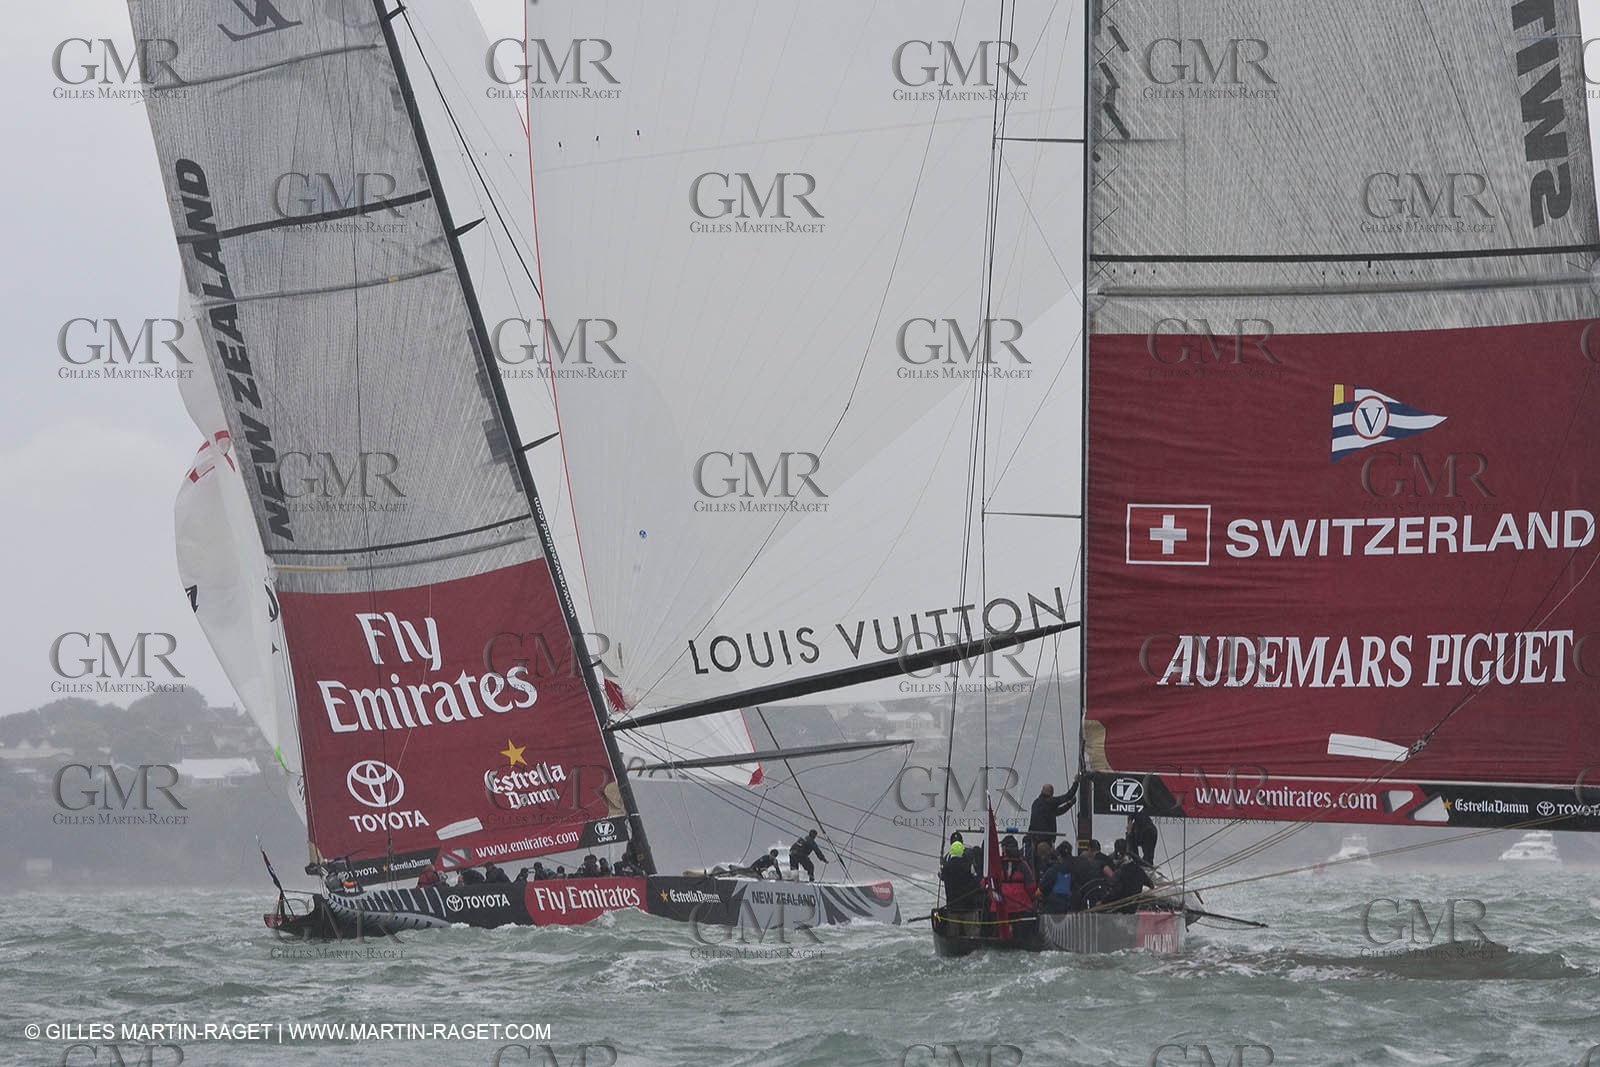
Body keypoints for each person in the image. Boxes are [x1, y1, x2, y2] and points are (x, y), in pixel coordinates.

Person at [1025, 781, 1079, 860]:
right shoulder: (1050, 802)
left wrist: (1069, 804)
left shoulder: (1036, 803)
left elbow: (1056, 812)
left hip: (1034, 838)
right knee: (1046, 859)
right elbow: (1068, 796)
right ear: (1051, 793)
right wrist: (1076, 782)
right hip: (1045, 839)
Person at [995, 836, 1037, 936]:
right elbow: (1031, 886)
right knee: (1021, 937)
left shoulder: (996, 864)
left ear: (1004, 849)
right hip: (1021, 906)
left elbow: (987, 882)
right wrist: (1032, 898)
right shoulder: (1023, 865)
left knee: (999, 935)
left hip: (1000, 906)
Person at [939, 839, 981, 909]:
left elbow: (942, 877)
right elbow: (975, 883)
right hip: (968, 907)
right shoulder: (968, 866)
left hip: (952, 907)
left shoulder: (946, 868)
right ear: (962, 852)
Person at [1036, 843, 1074, 914]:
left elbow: (1042, 888)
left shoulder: (1053, 869)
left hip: (1052, 908)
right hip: (1068, 906)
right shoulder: (1072, 867)